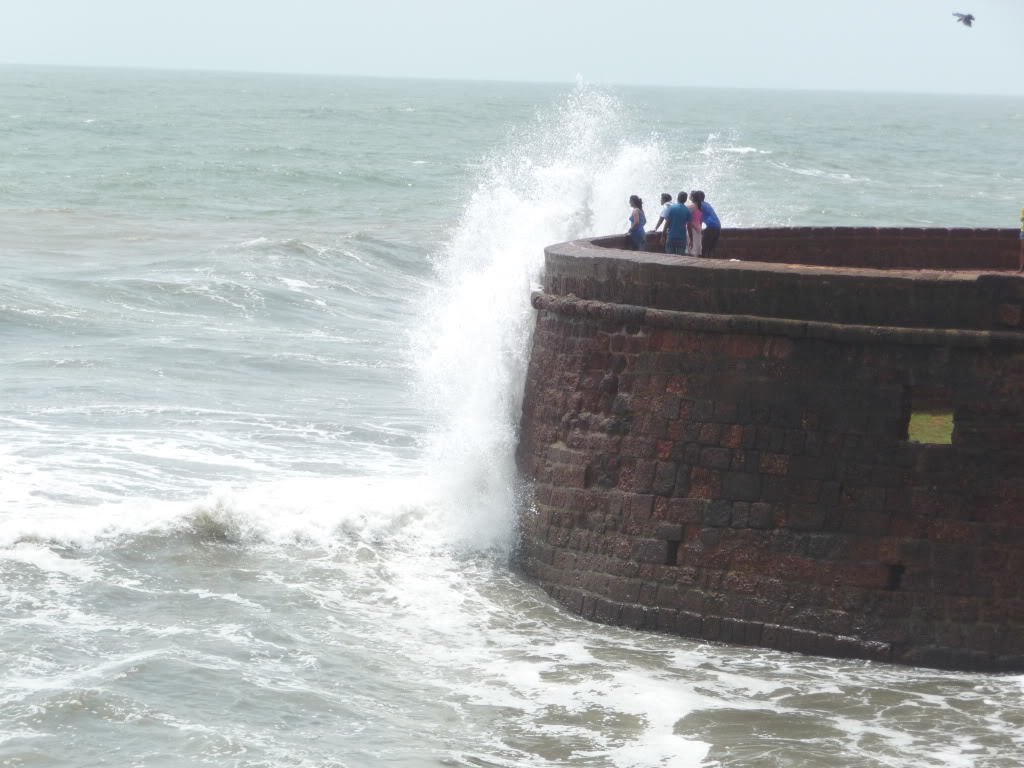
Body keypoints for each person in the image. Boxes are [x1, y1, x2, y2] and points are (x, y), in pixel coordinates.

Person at [694, 190, 722, 258]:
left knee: (703, 250)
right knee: (710, 250)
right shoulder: (707, 204)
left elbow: (698, 220)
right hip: (718, 227)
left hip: (711, 228)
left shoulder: (699, 205)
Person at [663, 191, 692, 255]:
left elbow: (667, 223)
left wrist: (663, 235)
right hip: (682, 237)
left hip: (671, 236)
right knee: (680, 259)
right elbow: (689, 227)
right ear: (685, 200)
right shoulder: (687, 210)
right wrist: (691, 239)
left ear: (678, 198)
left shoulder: (671, 208)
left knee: (669, 258)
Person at [687, 189, 704, 257]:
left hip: (692, 229)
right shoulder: (701, 207)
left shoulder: (690, 207)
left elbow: (688, 220)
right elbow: (701, 221)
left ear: (693, 198)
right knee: (697, 249)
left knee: (691, 249)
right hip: (699, 229)